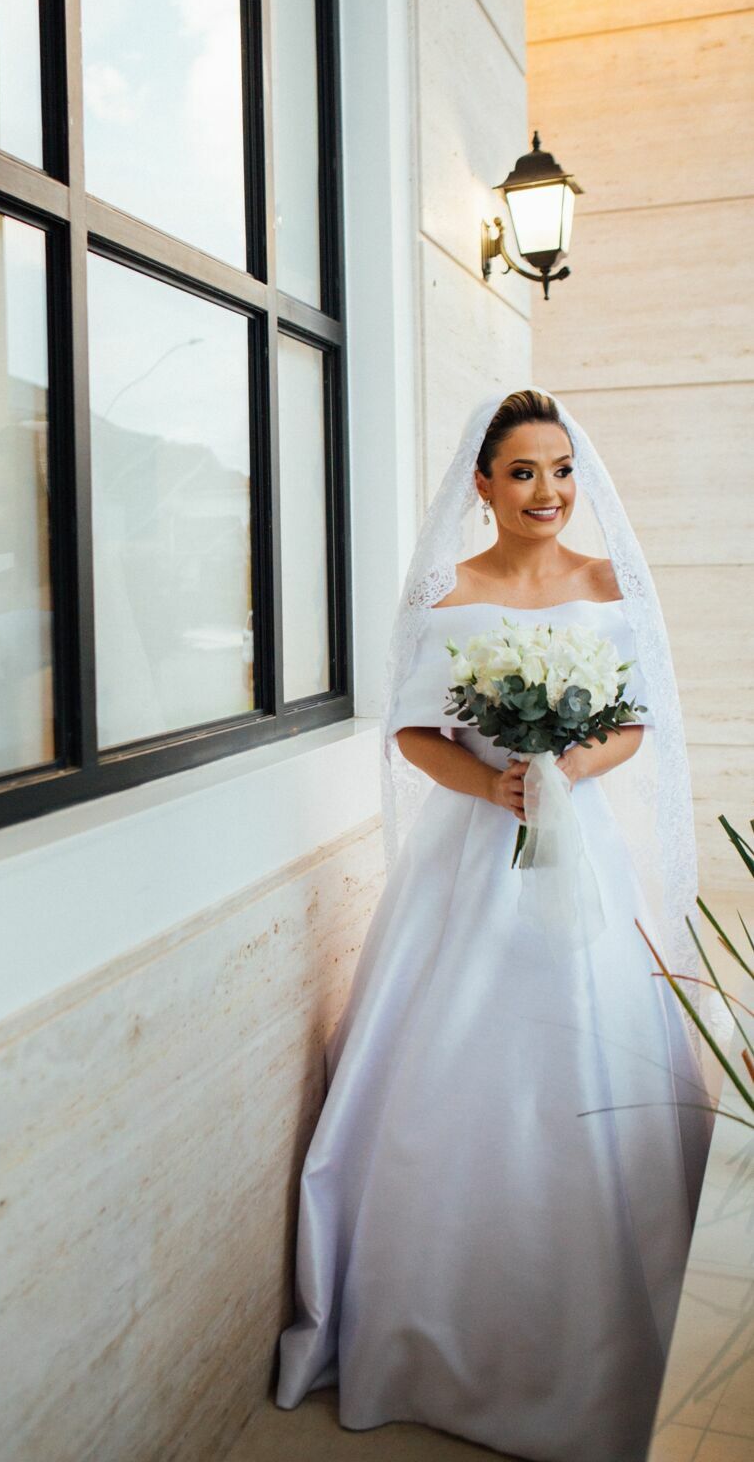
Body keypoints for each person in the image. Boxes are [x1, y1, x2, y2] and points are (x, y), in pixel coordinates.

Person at [273, 388, 725, 1462]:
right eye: (522, 471)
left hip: (582, 847)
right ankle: (429, 1327)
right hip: (469, 855)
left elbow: (633, 722)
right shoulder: (446, 593)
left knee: (591, 1038)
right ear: (481, 484)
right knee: (450, 1057)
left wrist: (568, 765)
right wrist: (495, 788)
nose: (546, 491)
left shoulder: (610, 586)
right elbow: (413, 733)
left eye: (560, 470)